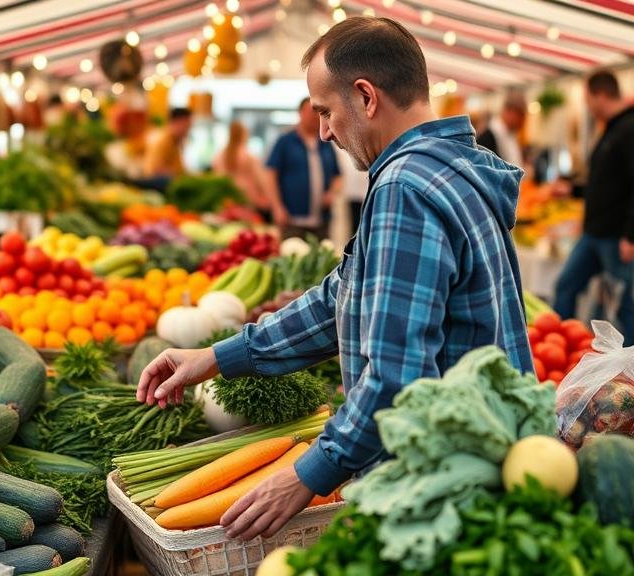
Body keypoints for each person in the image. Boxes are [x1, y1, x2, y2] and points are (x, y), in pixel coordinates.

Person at [136, 16, 532, 541]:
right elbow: (341, 297)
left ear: (366, 97)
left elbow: (397, 376)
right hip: (480, 462)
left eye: (325, 111)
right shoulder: (453, 166)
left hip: (443, 488)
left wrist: (309, 475)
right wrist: (214, 359)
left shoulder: (405, 188)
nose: (323, 130)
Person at [552, 70, 634, 343]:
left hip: (615, 237)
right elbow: (608, 185)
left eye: (588, 100)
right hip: (595, 234)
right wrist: (573, 190)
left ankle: (629, 367)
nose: (587, 106)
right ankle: (561, 343)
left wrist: (631, 235)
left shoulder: (628, 128)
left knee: (625, 306)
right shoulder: (610, 130)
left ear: (601, 95)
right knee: (566, 285)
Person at [267, 97, 343, 237]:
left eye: (317, 112)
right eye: (310, 111)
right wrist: (277, 207)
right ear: (300, 113)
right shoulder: (285, 142)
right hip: (291, 221)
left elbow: (337, 175)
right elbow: (270, 175)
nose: (314, 116)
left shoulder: (326, 143)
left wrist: (332, 193)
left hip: (321, 221)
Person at [212, 121, 283, 223]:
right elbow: (261, 180)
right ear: (244, 134)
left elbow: (216, 179)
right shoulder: (248, 156)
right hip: (247, 203)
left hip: (226, 202)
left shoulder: (219, 155)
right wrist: (267, 198)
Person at [476, 93, 526, 167]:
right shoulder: (488, 136)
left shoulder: (510, 134)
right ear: (509, 111)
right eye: (521, 115)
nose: (522, 121)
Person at [143, 107, 193, 180]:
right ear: (178, 122)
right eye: (187, 125)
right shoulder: (163, 140)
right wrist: (179, 175)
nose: (188, 129)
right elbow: (156, 170)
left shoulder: (174, 141)